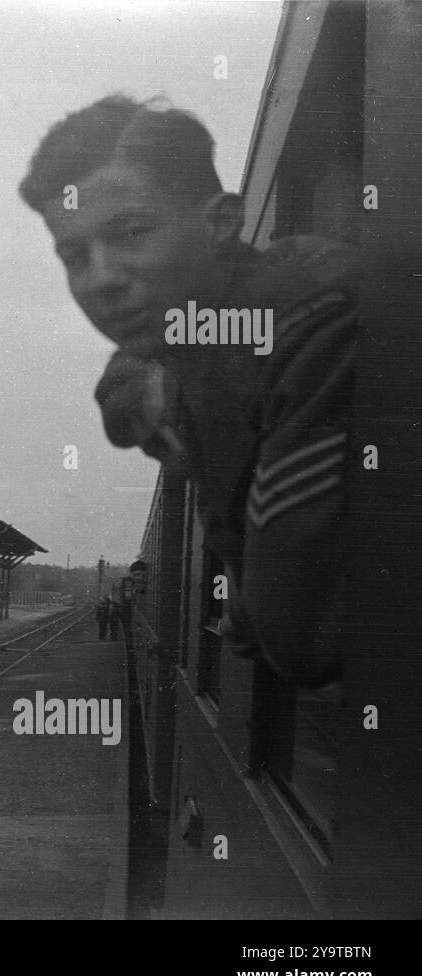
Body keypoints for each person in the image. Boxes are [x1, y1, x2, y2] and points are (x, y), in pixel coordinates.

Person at [18, 95, 355, 687]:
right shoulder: (202, 335)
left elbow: (301, 635)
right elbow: (118, 388)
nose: (101, 279)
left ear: (221, 223)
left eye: (131, 232)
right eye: (74, 256)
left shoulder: (309, 330)